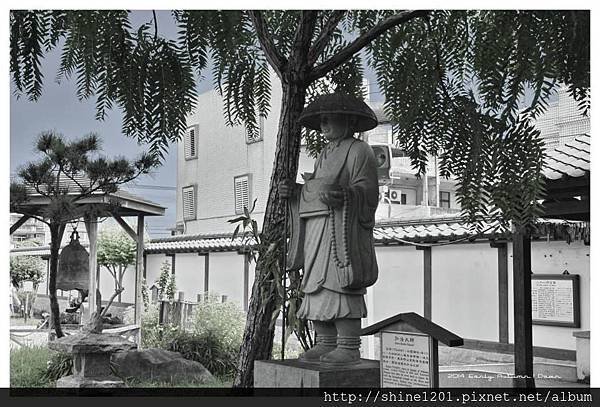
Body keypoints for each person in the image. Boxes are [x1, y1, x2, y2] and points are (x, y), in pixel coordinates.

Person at [279, 93, 380, 366]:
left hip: (341, 229)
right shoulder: (324, 153)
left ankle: (348, 345)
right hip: (316, 227)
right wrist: (296, 193)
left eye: (328, 120)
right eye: (321, 121)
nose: (323, 126)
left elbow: (368, 191)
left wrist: (345, 195)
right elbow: (315, 189)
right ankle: (325, 341)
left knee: (339, 282)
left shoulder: (359, 150)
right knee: (315, 284)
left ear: (346, 120)